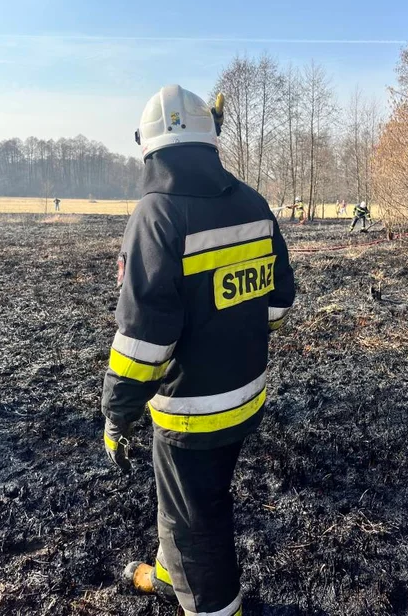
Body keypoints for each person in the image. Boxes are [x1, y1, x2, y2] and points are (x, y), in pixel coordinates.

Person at [101, 85, 295, 616]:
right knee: (190, 506)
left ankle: (213, 607)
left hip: (190, 412)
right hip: (246, 396)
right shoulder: (253, 202)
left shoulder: (156, 216)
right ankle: (168, 576)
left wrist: (116, 416)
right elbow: (278, 303)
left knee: (196, 524)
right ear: (212, 141)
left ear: (149, 147)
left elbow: (143, 344)